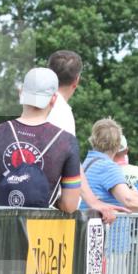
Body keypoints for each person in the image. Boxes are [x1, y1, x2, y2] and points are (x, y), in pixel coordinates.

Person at [0, 67, 81, 214]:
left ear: (21, 92)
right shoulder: (67, 142)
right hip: (44, 232)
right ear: (53, 99)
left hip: (1, 231)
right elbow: (70, 205)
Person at [82, 119, 138, 274]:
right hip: (110, 244)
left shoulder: (86, 164)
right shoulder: (108, 167)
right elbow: (128, 199)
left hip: (91, 240)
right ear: (117, 146)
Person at [47, 50, 116, 223]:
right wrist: (92, 201)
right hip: (53, 208)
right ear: (76, 81)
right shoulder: (61, 112)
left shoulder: (40, 106)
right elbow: (70, 161)